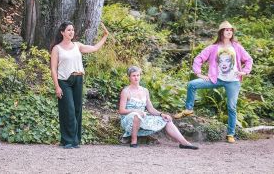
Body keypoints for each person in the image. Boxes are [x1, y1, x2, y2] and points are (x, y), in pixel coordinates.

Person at [174, 21, 253, 143]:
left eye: (231, 30)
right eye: (226, 30)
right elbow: (199, 58)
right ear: (221, 32)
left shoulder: (237, 47)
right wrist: (198, 73)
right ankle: (189, 109)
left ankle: (230, 134)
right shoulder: (213, 48)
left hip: (233, 81)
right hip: (216, 79)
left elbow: (248, 60)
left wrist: (245, 72)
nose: (229, 32)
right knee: (192, 84)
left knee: (231, 107)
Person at [50, 21, 109, 149]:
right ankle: (67, 140)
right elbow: (53, 69)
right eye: (68, 30)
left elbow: (94, 48)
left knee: (77, 110)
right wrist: (57, 86)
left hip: (78, 79)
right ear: (62, 32)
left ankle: (74, 140)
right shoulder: (57, 48)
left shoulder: (77, 45)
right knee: (68, 110)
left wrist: (105, 36)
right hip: (64, 81)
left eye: (72, 30)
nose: (71, 32)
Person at [119, 66, 198, 149]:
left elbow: (150, 108)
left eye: (138, 75)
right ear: (129, 77)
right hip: (128, 120)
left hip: (142, 118)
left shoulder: (145, 90)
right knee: (136, 115)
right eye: (133, 76)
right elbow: (121, 110)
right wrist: (135, 111)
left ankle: (184, 143)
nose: (136, 78)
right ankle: (133, 141)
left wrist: (161, 114)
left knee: (166, 119)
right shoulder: (126, 91)